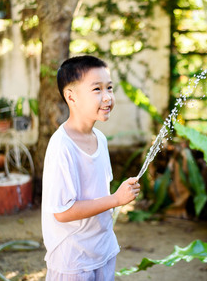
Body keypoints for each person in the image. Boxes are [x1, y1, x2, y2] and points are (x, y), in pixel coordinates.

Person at [41, 55, 140, 280]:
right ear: (71, 97)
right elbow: (62, 211)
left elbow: (98, 194)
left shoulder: (100, 139)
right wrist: (116, 200)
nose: (107, 97)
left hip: (102, 249)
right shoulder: (61, 146)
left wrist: (117, 196)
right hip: (73, 260)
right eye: (97, 89)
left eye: (110, 88)